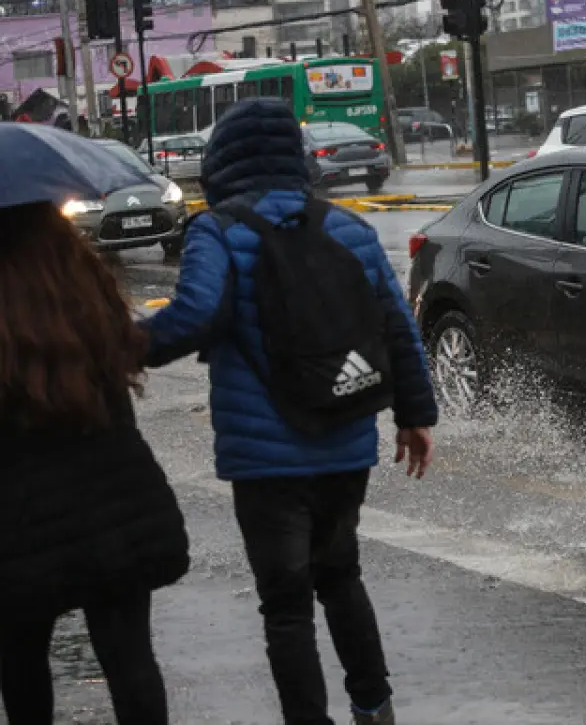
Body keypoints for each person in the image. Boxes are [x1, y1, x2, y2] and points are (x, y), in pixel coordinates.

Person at [140, 98, 438, 725]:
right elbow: (397, 328)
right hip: (345, 440)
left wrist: (116, 347)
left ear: (223, 162)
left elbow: (193, 316)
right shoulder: (350, 229)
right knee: (342, 577)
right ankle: (374, 707)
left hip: (264, 458)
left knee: (286, 606)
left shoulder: (218, 230)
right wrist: (414, 415)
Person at [0, 200, 189, 723]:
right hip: (113, 503)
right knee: (130, 658)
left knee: (19, 660)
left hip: (19, 517)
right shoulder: (81, 278)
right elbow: (126, 357)